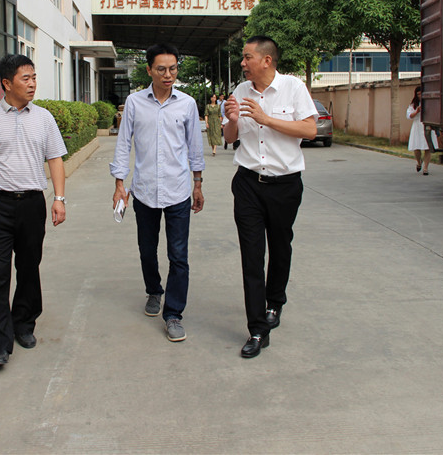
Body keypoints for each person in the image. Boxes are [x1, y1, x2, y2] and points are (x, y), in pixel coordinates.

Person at [0, 54, 67, 370]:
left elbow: (55, 159)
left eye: (34, 77)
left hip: (32, 204)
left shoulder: (44, 118)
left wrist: (59, 198)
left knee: (29, 268)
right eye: (25, 78)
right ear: (6, 83)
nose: (32, 84)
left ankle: (24, 323)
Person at [223, 36, 317, 359]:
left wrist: (265, 119)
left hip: (285, 186)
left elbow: (309, 130)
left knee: (280, 247)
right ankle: (257, 329)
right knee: (251, 256)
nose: (243, 63)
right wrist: (232, 121)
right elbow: (230, 137)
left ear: (266, 60)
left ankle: (275, 302)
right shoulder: (240, 91)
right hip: (248, 183)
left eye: (247, 57)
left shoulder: (293, 87)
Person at [110, 43, 205, 343]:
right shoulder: (135, 103)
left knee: (179, 256)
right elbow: (123, 144)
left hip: (178, 190)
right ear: (149, 69)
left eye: (173, 69)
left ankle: (173, 314)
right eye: (161, 69)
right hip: (145, 191)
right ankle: (154, 290)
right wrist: (119, 184)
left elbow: (194, 146)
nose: (168, 75)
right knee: (147, 250)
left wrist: (198, 182)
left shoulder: (187, 104)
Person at [407, 86, 432, 175]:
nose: (420, 96)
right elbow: (409, 115)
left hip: (428, 125)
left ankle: (426, 168)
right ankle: (418, 162)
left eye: (421, 93)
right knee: (416, 147)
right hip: (417, 126)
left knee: (428, 147)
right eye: (418, 94)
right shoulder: (413, 104)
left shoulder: (430, 102)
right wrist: (416, 111)